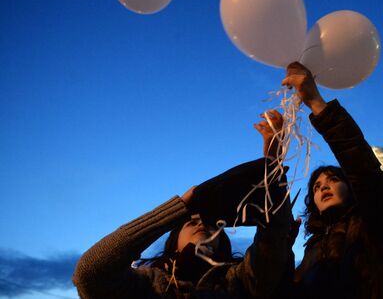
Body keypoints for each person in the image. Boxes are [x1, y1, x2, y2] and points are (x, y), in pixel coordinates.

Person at [72, 111, 294, 298]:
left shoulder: (239, 280)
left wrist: (271, 168)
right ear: (173, 241)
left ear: (223, 241)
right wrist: (180, 208)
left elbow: (272, 237)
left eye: (211, 224)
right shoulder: (148, 284)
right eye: (189, 223)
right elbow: (91, 275)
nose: (201, 225)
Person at [282, 62, 383, 299]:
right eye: (316, 187)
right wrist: (282, 248)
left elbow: (362, 168)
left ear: (350, 186)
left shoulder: (372, 224)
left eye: (333, 180)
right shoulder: (311, 253)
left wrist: (316, 102)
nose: (323, 186)